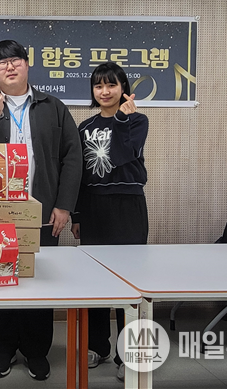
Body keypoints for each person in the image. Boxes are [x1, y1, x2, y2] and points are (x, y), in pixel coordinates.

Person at [0, 40, 82, 381]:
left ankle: (36, 350)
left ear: (27, 65)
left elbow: (72, 157)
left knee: (38, 281)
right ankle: (2, 348)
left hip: (41, 213)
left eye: (16, 60)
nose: (10, 66)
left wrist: (64, 206)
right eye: (2, 63)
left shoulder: (52, 106)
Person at [70, 61, 149, 382]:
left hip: (127, 205)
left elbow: (122, 154)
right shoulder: (84, 127)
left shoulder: (137, 120)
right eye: (99, 85)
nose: (104, 91)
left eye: (111, 84)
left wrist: (121, 120)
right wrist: (76, 214)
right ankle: (97, 345)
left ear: (123, 88)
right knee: (96, 281)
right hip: (93, 207)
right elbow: (78, 173)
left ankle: (126, 353)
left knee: (128, 282)